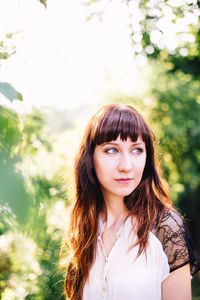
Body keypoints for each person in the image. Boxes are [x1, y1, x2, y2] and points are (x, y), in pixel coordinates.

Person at [62, 104, 200, 300]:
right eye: (111, 150)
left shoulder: (165, 226)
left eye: (136, 150)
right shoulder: (85, 226)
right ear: (90, 157)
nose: (126, 166)